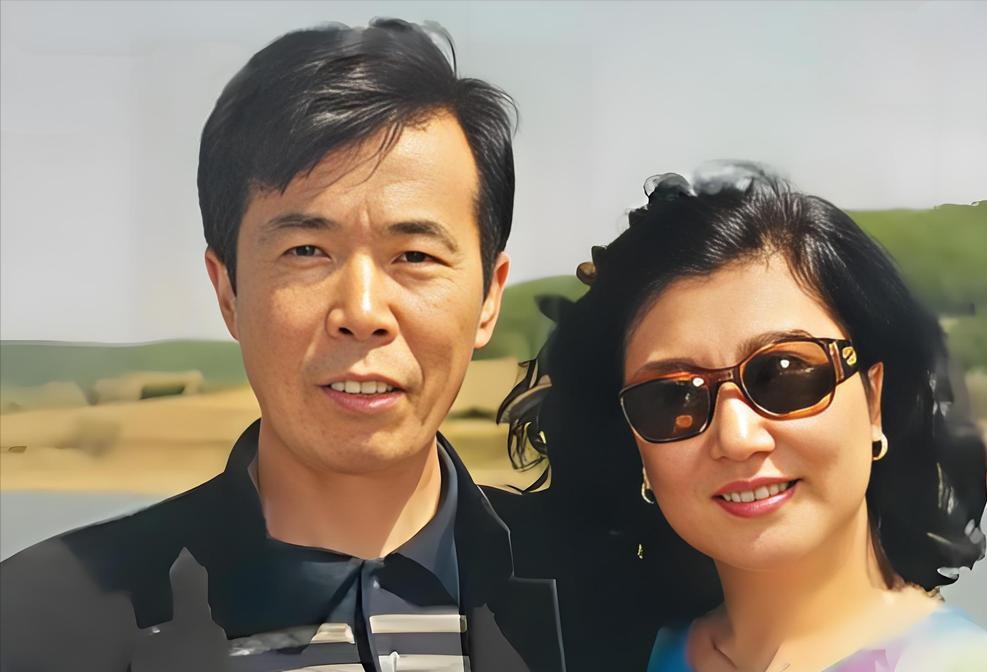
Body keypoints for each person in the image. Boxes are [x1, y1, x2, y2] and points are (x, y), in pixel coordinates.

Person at [0, 19, 565, 672]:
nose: (362, 313)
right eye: (306, 251)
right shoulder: (33, 623)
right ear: (228, 291)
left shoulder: (612, 598)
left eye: (414, 255)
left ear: (490, 296)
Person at [500, 165, 987, 670]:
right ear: (633, 444)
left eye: (783, 374)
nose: (737, 437)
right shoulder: (597, 653)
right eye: (672, 398)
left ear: (872, 400)